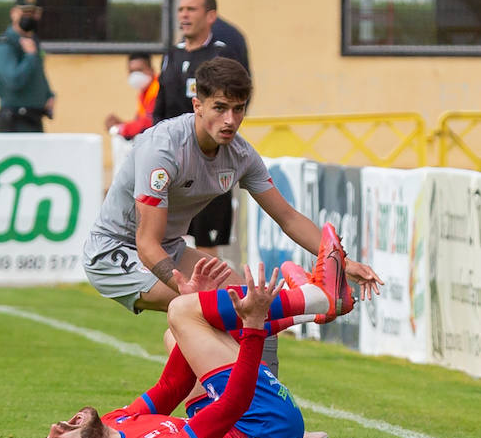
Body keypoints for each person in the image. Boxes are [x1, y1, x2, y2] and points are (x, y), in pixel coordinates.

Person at [82, 56, 383, 377]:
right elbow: (146, 243)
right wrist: (183, 286)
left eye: (238, 109)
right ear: (197, 104)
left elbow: (288, 217)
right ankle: (312, 302)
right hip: (114, 253)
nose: (230, 120)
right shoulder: (163, 149)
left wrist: (343, 262)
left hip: (168, 248)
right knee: (235, 308)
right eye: (220, 107)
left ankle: (268, 423)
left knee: (257, 312)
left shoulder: (240, 154)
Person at [27, 247, 348, 438]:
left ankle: (306, 314)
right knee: (181, 313)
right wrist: (251, 325)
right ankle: (317, 299)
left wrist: (197, 305)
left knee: (178, 327)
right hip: (265, 434)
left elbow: (173, 385)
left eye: (48, 435)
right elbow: (232, 405)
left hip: (236, 424)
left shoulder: (109, 426)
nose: (56, 428)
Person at [154, 0, 244, 257]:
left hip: (207, 160)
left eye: (191, 9)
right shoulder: (171, 54)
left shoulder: (222, 54)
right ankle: (169, 297)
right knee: (160, 235)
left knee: (205, 241)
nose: (184, 15)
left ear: (210, 16)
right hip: (171, 158)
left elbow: (235, 102)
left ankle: (207, 299)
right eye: (181, 9)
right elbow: (160, 104)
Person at [0, 0, 55, 133]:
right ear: (14, 13)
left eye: (34, 12)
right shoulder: (5, 44)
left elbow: (38, 74)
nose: (30, 17)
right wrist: (30, 56)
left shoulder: (33, 41)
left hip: (34, 119)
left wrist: (48, 95)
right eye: (25, 12)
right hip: (15, 122)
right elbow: (13, 80)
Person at [103, 53, 160, 140]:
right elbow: (139, 123)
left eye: (139, 70)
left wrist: (118, 128)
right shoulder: (144, 92)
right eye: (131, 71)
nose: (135, 75)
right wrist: (122, 124)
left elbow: (148, 123)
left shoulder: (158, 89)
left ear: (151, 70)